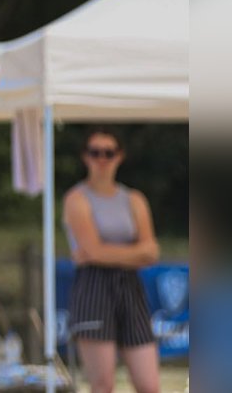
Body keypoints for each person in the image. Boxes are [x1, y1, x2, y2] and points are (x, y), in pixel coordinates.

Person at [62, 128, 161, 393]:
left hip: (130, 288)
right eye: (95, 152)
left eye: (109, 152)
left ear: (119, 156)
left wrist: (104, 253)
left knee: (149, 384)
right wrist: (132, 253)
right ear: (86, 157)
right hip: (93, 288)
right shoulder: (76, 199)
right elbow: (92, 250)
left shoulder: (134, 199)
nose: (102, 158)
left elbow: (151, 252)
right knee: (103, 384)